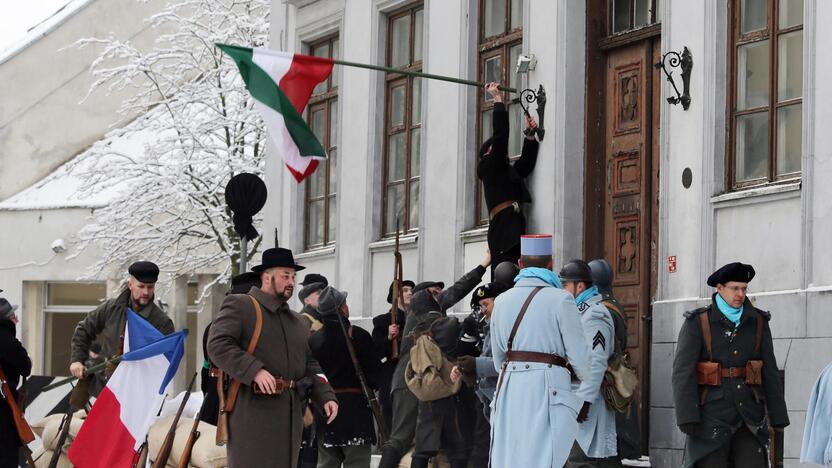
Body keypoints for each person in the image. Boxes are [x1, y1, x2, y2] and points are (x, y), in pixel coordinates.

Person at [207, 247, 339, 467]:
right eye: (285, 275)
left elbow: (309, 363)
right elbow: (217, 345)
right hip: (252, 414)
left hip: (290, 417)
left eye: (293, 276)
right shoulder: (242, 305)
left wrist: (325, 394)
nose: (291, 281)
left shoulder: (298, 322)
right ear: (267, 277)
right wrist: (254, 370)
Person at [377, 251, 491, 468]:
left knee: (427, 443)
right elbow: (458, 290)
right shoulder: (421, 309)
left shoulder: (429, 315)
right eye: (434, 293)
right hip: (412, 381)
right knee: (402, 438)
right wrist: (483, 265)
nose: (440, 296)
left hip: (427, 383)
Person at [672, 262, 788, 467]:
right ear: (719, 288)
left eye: (744, 289)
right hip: (711, 418)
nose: (740, 294)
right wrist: (687, 416)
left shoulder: (758, 321)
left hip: (749, 417)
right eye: (735, 288)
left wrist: (778, 415)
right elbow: (683, 372)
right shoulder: (698, 322)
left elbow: (769, 370)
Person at [489, 235, 592, 468]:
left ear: (521, 264)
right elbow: (581, 362)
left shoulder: (502, 301)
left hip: (510, 390)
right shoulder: (562, 300)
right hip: (549, 390)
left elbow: (498, 361)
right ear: (551, 264)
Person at [69, 261, 174, 391]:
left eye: (150, 287)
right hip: (104, 387)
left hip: (139, 391)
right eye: (141, 286)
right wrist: (77, 360)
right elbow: (84, 330)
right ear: (130, 285)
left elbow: (165, 361)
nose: (146, 292)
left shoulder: (162, 322)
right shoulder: (111, 308)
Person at [309, 286, 381, 468]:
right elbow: (375, 376)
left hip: (324, 410)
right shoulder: (358, 335)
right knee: (357, 463)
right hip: (356, 411)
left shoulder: (313, 340)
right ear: (342, 308)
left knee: (326, 463)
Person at [558, 260, 617, 467]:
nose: (562, 289)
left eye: (565, 284)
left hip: (584, 402)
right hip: (570, 398)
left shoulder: (594, 315)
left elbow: (596, 363)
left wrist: (584, 402)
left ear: (580, 286)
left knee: (579, 461)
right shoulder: (577, 312)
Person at [477, 82, 540, 277]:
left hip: (512, 228)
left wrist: (530, 136)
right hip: (504, 232)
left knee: (516, 273)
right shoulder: (489, 167)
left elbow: (525, 166)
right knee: (505, 276)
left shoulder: (503, 172)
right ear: (489, 152)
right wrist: (497, 101)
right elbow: (501, 136)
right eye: (495, 149)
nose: (502, 153)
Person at [589, 259, 642, 463]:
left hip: (608, 374)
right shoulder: (613, 304)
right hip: (618, 370)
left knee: (611, 432)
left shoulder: (601, 309)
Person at [452, 282, 511, 468]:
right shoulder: (486, 324)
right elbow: (464, 351)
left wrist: (475, 365)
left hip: (502, 396)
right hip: (488, 396)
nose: (482, 310)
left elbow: (506, 363)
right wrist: (465, 368)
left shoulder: (506, 325)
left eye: (486, 304)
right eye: (480, 306)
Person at [199, 271, 262, 426]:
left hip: (215, 397)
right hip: (238, 401)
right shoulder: (255, 327)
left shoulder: (213, 325)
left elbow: (205, 369)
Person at [372, 279, 415, 432]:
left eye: (411, 290)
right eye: (404, 290)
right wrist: (389, 338)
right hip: (391, 376)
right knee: (391, 419)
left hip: (414, 374)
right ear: (395, 296)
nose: (409, 293)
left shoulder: (417, 320)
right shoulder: (382, 322)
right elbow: (376, 353)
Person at [0, 298, 31, 468]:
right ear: (8, 319)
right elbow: (24, 365)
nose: (17, 321)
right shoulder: (5, 337)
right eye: (14, 317)